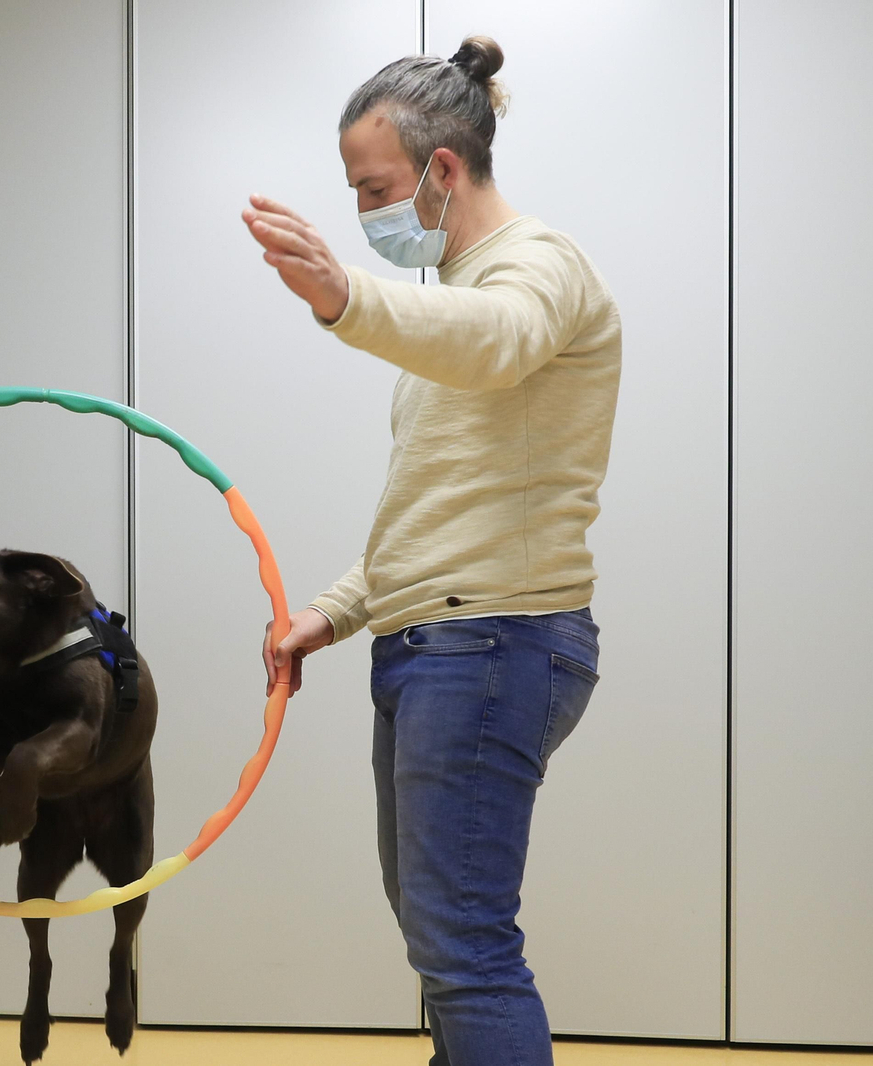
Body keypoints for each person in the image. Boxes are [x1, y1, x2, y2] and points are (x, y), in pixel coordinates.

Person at [244, 36, 621, 1066]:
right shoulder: (451, 305)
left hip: (491, 643)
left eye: (374, 188)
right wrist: (331, 610)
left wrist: (341, 297)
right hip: (436, 645)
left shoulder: (535, 271)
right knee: (438, 937)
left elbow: (497, 340)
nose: (363, 213)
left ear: (443, 170)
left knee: (463, 947)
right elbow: (438, 509)